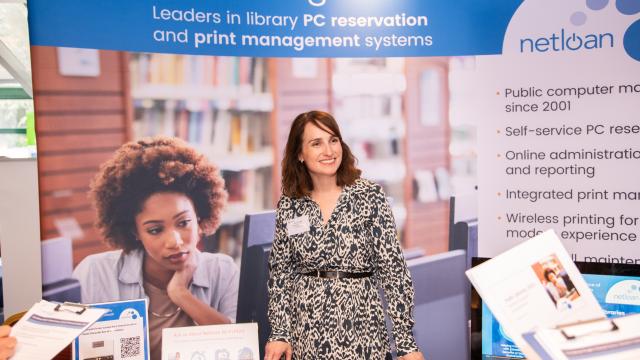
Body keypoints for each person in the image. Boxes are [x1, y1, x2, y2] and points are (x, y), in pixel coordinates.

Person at [265, 111, 424, 360]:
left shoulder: (369, 196)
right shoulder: (291, 204)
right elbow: (281, 274)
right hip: (306, 337)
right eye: (316, 143)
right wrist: (280, 333)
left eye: (333, 140)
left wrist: (406, 344)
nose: (328, 151)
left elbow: (394, 271)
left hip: (363, 334)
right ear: (299, 154)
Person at [72, 137, 239, 360]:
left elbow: (241, 347)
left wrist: (181, 294)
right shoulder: (95, 273)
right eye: (155, 230)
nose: (175, 241)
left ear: (199, 217)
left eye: (183, 223)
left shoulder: (223, 271)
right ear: (135, 232)